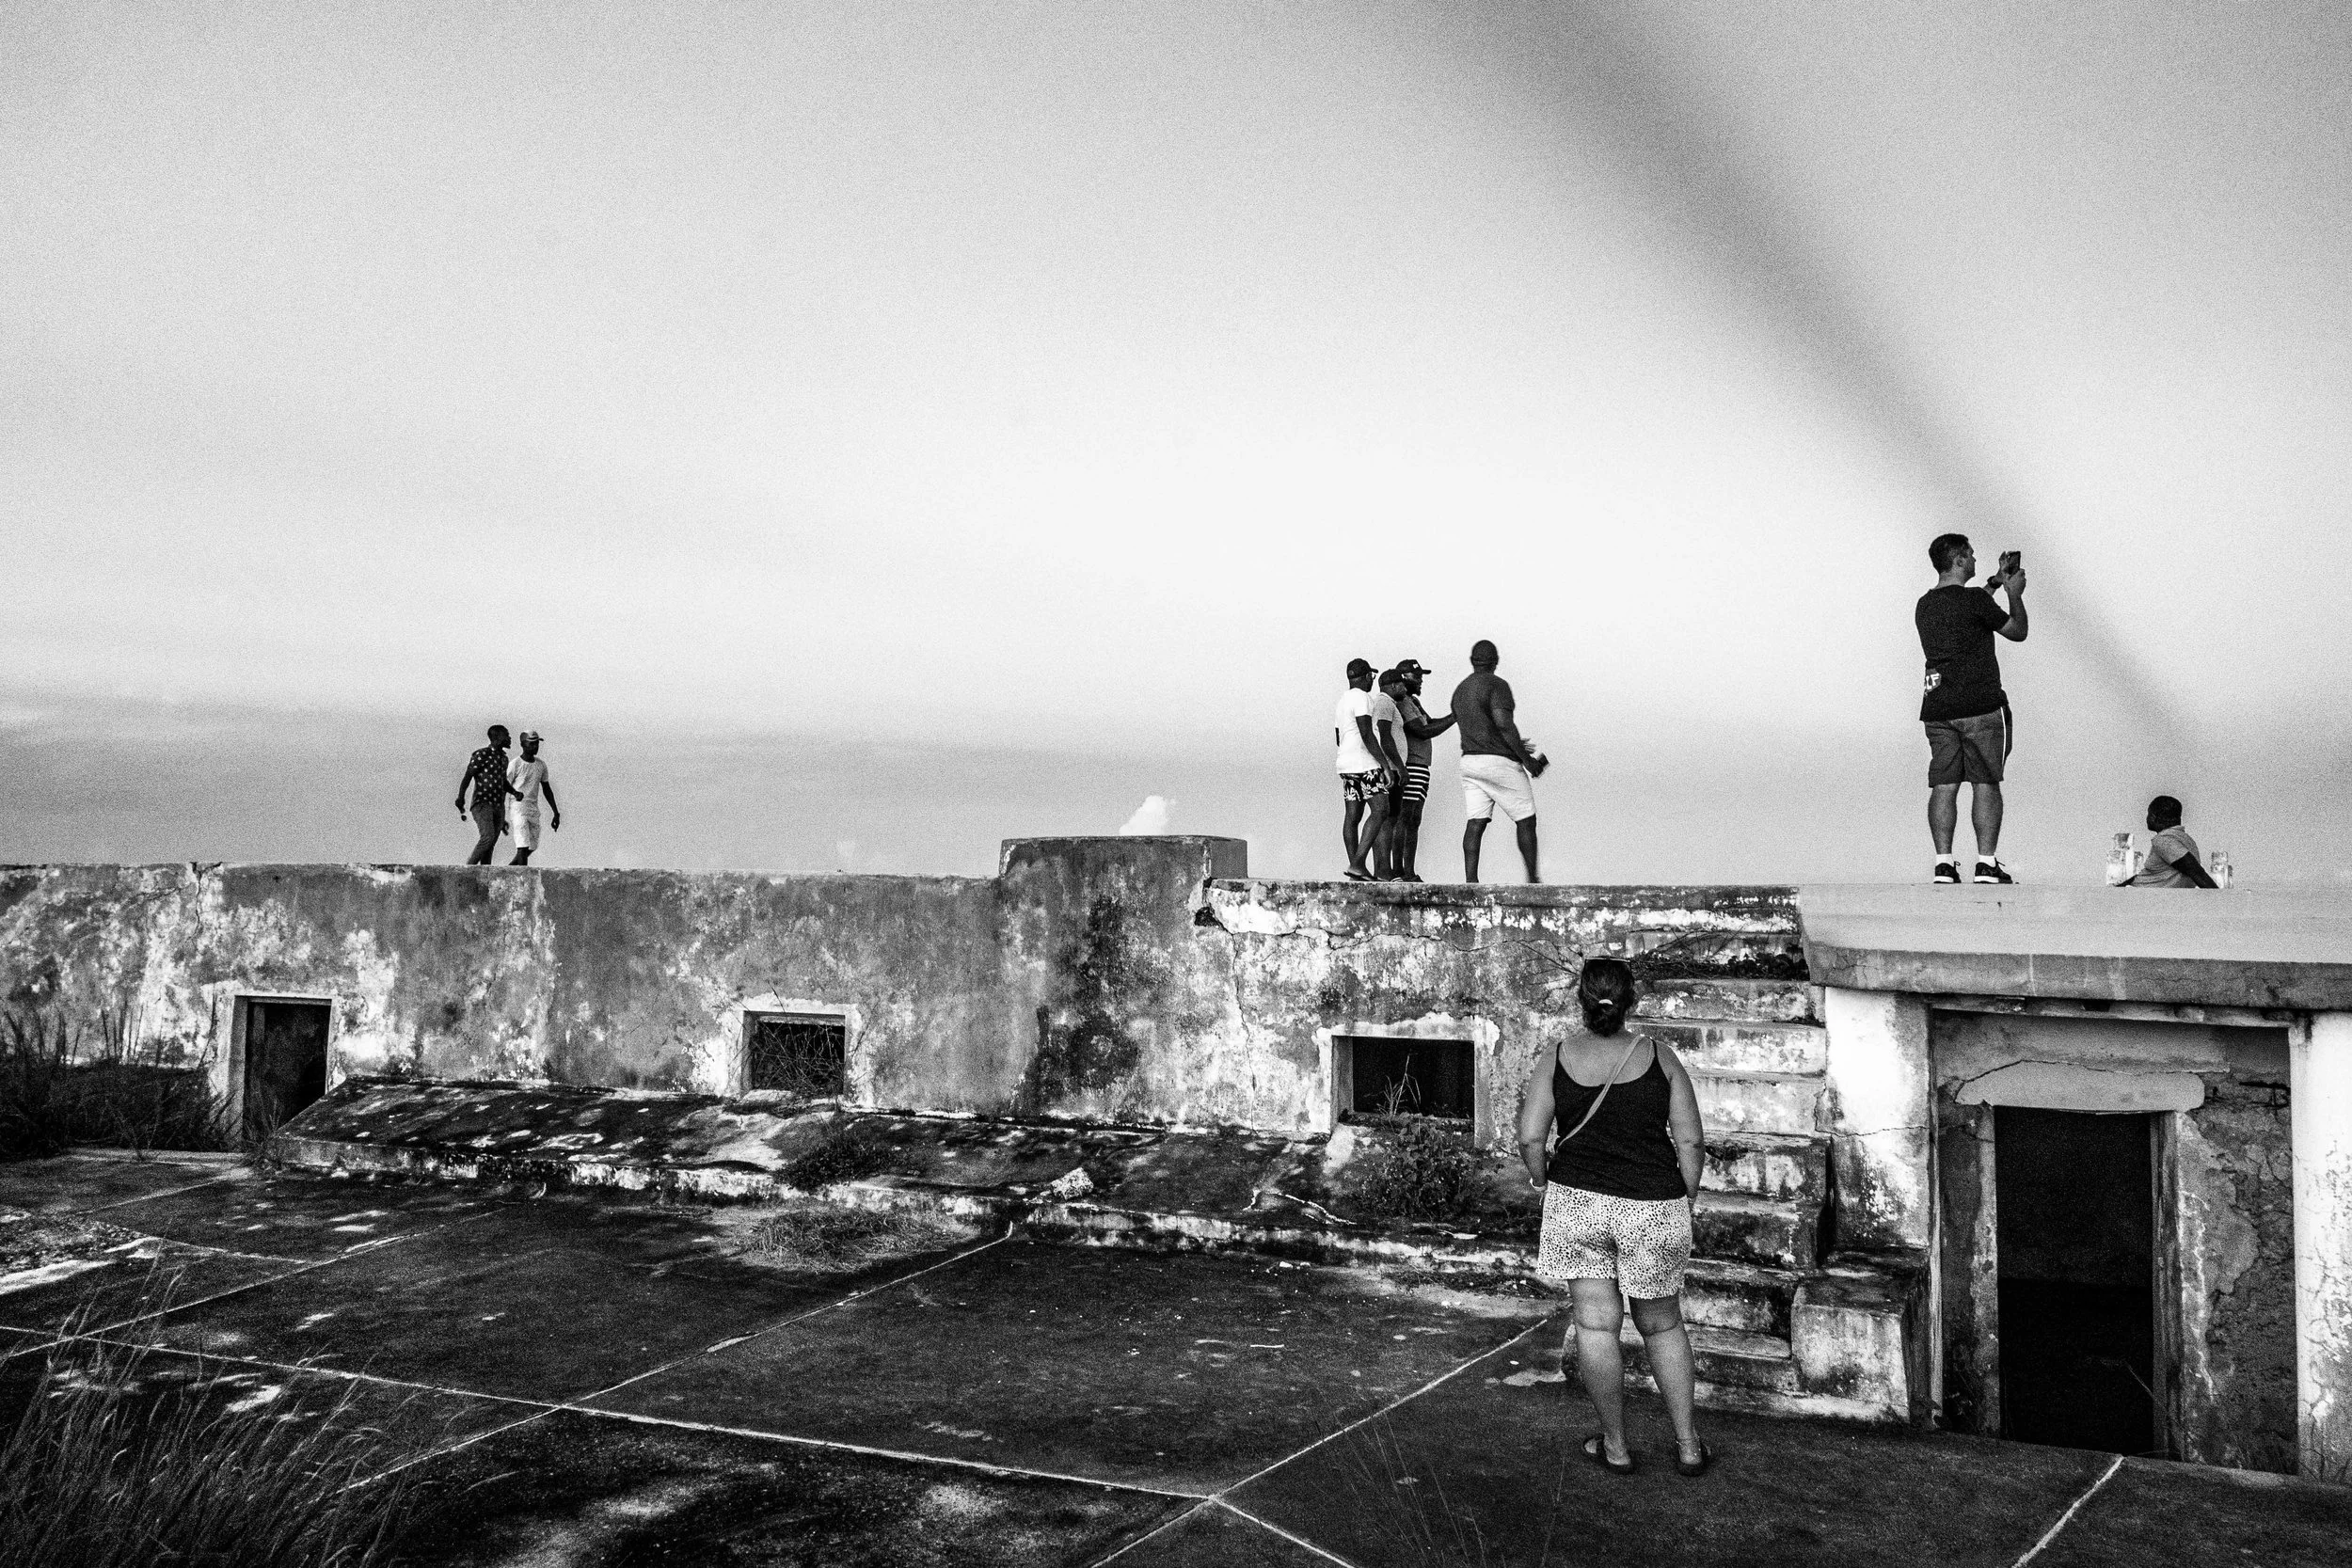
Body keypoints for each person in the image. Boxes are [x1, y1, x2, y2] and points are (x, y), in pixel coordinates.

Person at [1516, 957, 1710, 1477]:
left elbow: (1532, 1137)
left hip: (1578, 1202)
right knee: (1663, 1324)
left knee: (1596, 1326)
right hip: (1653, 1203)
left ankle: (1617, 1446)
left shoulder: (1555, 1057)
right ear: (1632, 1001)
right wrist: (1681, 1196)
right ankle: (1688, 1445)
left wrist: (1542, 1180)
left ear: (1581, 999)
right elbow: (1689, 1139)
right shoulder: (1660, 1057)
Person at [1917, 533, 2028, 884]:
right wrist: (2013, 593)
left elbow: (1968, 604)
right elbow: (2018, 631)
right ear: (1961, 559)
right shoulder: (1973, 603)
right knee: (1985, 783)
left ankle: (1944, 864)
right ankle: (1986, 863)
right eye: (1973, 556)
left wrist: (1995, 581)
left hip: (1937, 707)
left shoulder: (1925, 603)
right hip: (1979, 705)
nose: (1977, 561)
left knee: (1945, 786)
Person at [1450, 640, 1545, 882]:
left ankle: (1471, 881)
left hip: (1470, 762)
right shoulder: (1497, 685)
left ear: (1472, 661)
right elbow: (1503, 724)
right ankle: (1533, 880)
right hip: (1499, 763)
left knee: (1475, 822)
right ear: (1496, 661)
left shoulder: (1460, 690)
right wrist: (1527, 760)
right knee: (1526, 819)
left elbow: (1480, 728)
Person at [1379, 660, 1455, 882]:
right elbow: (1422, 731)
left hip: (1421, 764)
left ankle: (1408, 871)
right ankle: (1400, 872)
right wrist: (1455, 716)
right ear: (1403, 678)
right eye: (1417, 676)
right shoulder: (1402, 703)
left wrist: (1454, 716)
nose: (1421, 680)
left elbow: (1431, 723)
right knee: (1405, 817)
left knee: (1414, 819)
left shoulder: (1413, 702)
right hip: (1411, 764)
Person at [1333, 657, 1403, 881]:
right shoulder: (1363, 698)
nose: (1372, 679)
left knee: (1352, 815)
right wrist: (1384, 765)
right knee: (1381, 809)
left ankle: (1356, 870)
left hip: (1345, 762)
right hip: (1364, 763)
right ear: (1364, 677)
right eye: (1371, 676)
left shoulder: (1342, 701)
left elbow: (1338, 737)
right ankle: (1357, 863)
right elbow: (1367, 733)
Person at [454, 725, 520, 866]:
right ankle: (468, 869)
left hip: (498, 805)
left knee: (490, 844)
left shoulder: (503, 758)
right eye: (506, 735)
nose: (509, 738)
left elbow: (503, 781)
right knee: (487, 838)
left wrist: (514, 792)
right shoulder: (481, 755)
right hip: (482, 803)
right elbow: (468, 776)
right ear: (496, 737)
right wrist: (461, 798)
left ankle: (484, 872)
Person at [2128, 796, 2218, 888]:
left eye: (2148, 813)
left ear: (2153, 817)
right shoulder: (2186, 840)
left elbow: (2195, 871)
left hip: (2143, 897)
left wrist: (2219, 899)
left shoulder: (2165, 840)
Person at [505, 731, 562, 866]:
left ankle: (509, 869)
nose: (535, 746)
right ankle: (524, 877)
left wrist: (555, 812)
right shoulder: (515, 764)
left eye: (537, 743)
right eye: (532, 743)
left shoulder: (540, 765)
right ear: (523, 744)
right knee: (522, 844)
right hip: (518, 807)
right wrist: (501, 813)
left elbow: (546, 788)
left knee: (532, 845)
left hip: (533, 808)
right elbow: (504, 785)